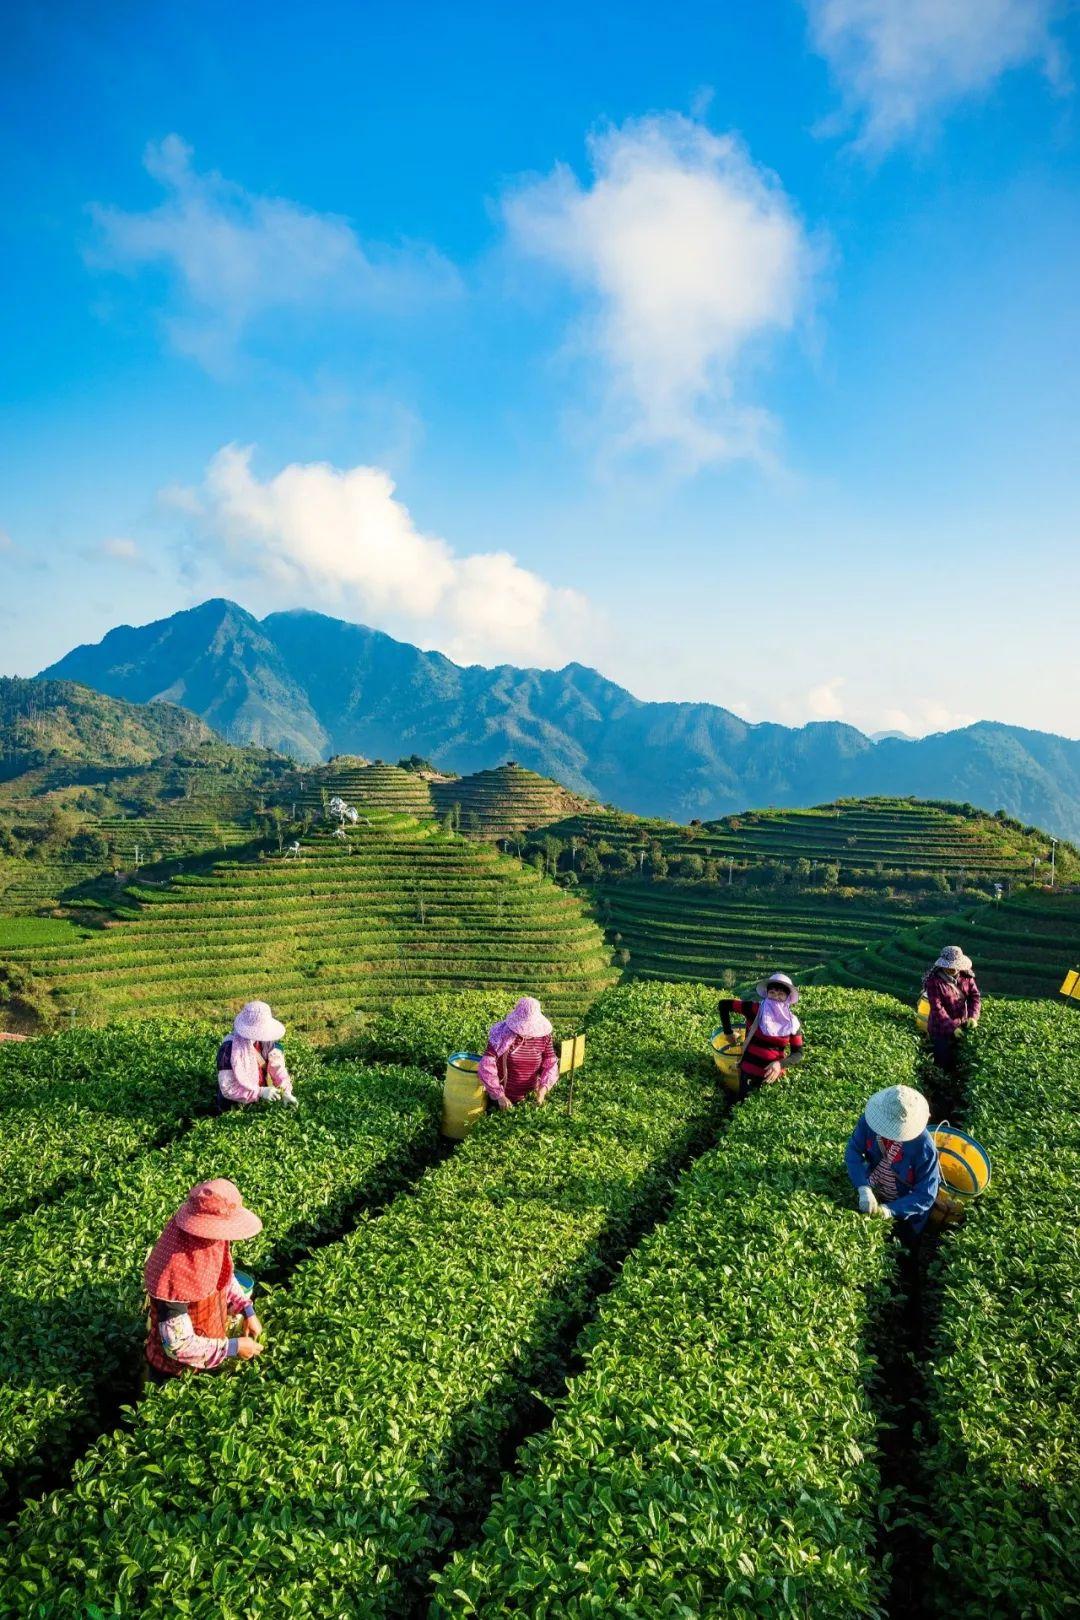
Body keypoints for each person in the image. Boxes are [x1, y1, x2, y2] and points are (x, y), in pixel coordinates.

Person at [144, 1179, 265, 1379]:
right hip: (174, 1371)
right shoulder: (175, 1273)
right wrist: (233, 1348)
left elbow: (224, 1277)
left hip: (211, 1349)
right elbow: (178, 1345)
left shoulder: (210, 1242)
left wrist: (246, 1309)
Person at [845, 1085, 941, 1248]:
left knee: (905, 1244)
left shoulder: (924, 1146)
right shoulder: (869, 1123)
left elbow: (925, 1194)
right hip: (876, 1186)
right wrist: (863, 1188)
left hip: (908, 1208)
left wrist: (890, 1210)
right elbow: (853, 1150)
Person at [717, 972, 804, 1100]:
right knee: (742, 1104)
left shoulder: (792, 1022)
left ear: (787, 997)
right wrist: (728, 1032)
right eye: (772, 993)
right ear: (767, 993)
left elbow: (798, 1053)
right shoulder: (754, 1009)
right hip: (748, 1074)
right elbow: (723, 1005)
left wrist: (780, 1064)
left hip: (773, 1076)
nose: (776, 997)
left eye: (781, 994)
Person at [478, 996, 559, 1110]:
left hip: (530, 1100)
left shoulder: (544, 1037)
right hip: (503, 1102)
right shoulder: (502, 1034)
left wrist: (542, 1091)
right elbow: (486, 1065)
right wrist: (499, 1096)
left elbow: (550, 1064)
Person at [217, 1001, 296, 1108]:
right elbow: (228, 1088)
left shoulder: (269, 1043)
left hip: (262, 1099)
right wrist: (260, 1092)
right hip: (235, 1104)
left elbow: (278, 1070)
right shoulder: (229, 1049)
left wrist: (286, 1091)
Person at [923, 947, 981, 1072]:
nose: (952, 969)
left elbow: (974, 997)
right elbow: (937, 1009)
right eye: (949, 966)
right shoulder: (933, 982)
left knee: (959, 1061)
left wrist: (973, 1016)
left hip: (962, 1023)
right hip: (940, 1029)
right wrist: (952, 1028)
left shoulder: (966, 977)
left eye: (955, 966)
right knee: (943, 1063)